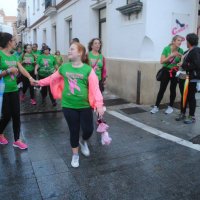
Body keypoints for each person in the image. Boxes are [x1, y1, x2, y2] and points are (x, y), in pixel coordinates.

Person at [36, 42, 104, 168]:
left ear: (80, 53)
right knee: (74, 130)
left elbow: (95, 89)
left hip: (84, 106)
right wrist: (39, 82)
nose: (68, 51)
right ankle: (75, 155)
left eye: (71, 49)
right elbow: (52, 78)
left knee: (88, 130)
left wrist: (99, 104)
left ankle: (83, 141)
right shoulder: (64, 67)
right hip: (68, 105)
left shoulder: (88, 70)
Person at [0, 32, 35, 149]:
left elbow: (21, 68)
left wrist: (30, 78)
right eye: (14, 40)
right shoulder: (0, 54)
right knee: (6, 116)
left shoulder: (14, 55)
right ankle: (0, 133)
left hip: (14, 89)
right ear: (9, 41)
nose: (16, 42)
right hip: (3, 91)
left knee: (16, 115)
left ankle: (17, 140)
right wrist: (8, 71)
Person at [151, 35, 184, 114]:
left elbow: (181, 60)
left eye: (181, 41)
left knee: (173, 89)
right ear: (173, 41)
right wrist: (171, 55)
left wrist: (181, 63)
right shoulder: (166, 49)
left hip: (175, 71)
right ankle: (156, 106)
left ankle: (170, 107)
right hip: (166, 71)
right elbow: (162, 61)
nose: (180, 42)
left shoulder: (181, 50)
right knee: (162, 89)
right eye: (178, 40)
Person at [176, 33, 200, 124]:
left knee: (191, 97)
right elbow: (186, 63)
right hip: (184, 77)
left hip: (191, 78)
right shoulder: (187, 51)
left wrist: (184, 65)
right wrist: (181, 64)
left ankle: (192, 116)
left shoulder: (196, 51)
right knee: (184, 96)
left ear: (189, 41)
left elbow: (197, 64)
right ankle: (182, 113)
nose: (186, 42)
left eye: (186, 40)